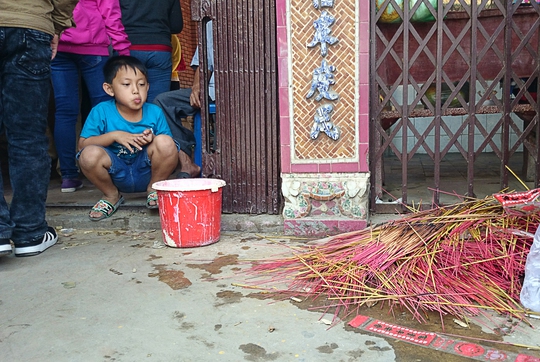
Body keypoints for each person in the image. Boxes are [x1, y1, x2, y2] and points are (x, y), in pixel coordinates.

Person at [0, 0, 79, 257]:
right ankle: (30, 232)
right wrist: (56, 24)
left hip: (29, 23)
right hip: (28, 24)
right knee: (28, 137)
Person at [77, 56, 178, 221]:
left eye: (141, 84)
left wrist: (152, 139)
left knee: (166, 142)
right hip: (117, 172)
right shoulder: (101, 111)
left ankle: (154, 189)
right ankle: (111, 196)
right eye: (126, 84)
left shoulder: (154, 111)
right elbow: (82, 145)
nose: (135, 90)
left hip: (147, 171)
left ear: (148, 87)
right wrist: (114, 136)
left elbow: (169, 147)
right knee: (88, 155)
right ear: (109, 89)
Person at [51, 0, 131, 193]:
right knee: (104, 107)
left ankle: (69, 177)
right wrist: (122, 47)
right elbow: (109, 11)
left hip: (58, 44)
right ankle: (111, 170)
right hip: (92, 43)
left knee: (64, 111)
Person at [153, 20, 214, 179]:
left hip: (248, 89)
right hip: (213, 90)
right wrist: (197, 86)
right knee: (162, 102)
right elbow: (204, 62)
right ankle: (187, 163)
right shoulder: (210, 24)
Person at [119, 0, 183, 103]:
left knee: (127, 102)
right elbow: (176, 26)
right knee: (157, 102)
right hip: (160, 48)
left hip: (129, 46)